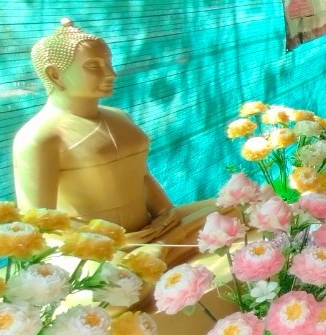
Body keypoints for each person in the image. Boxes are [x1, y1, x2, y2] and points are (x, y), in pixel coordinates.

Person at [13, 19, 218, 265]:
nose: (111, 73)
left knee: (237, 209)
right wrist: (102, 245)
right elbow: (38, 223)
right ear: (55, 74)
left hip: (158, 232)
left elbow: (141, 177)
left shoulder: (120, 117)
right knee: (129, 279)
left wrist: (167, 215)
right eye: (94, 66)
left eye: (109, 63)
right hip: (103, 252)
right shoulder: (39, 137)